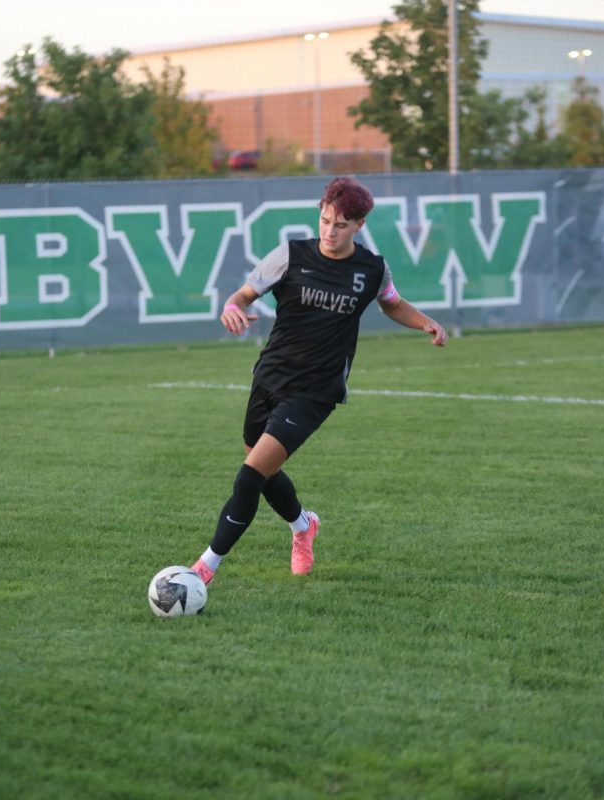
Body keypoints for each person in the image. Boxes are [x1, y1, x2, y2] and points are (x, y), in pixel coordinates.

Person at [191, 176, 448, 585]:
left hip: (316, 391)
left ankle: (205, 566)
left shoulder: (371, 269)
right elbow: (243, 295)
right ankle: (303, 526)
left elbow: (393, 304)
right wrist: (231, 306)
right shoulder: (290, 256)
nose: (330, 230)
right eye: (326, 220)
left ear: (359, 225)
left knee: (250, 475)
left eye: (341, 224)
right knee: (264, 470)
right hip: (270, 376)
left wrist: (426, 323)